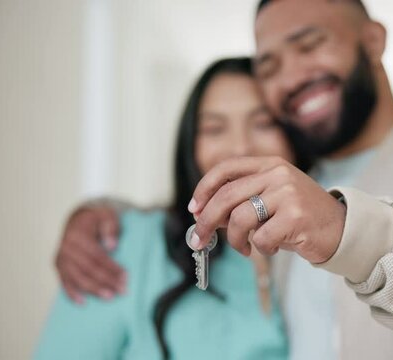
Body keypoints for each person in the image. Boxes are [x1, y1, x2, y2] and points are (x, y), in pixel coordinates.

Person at [54, 1, 393, 359]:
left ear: (373, 41)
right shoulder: (288, 178)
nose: (290, 77)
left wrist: (346, 229)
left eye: (311, 44)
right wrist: (98, 213)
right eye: (270, 63)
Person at [36, 57, 298, 360]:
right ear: (190, 145)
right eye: (214, 129)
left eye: (264, 123)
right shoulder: (129, 243)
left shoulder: (313, 248)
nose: (240, 148)